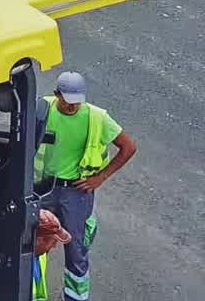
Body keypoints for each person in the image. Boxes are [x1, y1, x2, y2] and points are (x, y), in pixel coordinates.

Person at [35, 71, 136, 301]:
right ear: (57, 95)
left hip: (76, 193)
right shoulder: (42, 108)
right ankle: (33, 293)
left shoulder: (97, 117)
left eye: (77, 102)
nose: (73, 107)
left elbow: (128, 147)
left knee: (75, 249)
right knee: (33, 243)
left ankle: (76, 298)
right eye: (68, 101)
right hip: (43, 187)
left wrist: (100, 178)